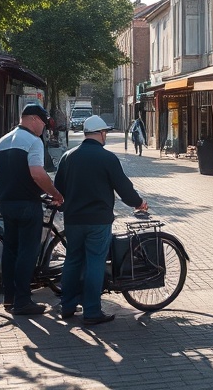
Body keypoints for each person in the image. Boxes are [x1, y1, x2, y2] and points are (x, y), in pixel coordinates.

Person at [54, 114, 148, 325]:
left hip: (73, 220)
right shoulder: (107, 158)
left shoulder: (68, 157)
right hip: (98, 221)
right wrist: (138, 202)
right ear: (101, 133)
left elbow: (58, 188)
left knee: (72, 260)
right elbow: (123, 188)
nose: (105, 136)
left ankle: (67, 306)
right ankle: (92, 311)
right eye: (105, 132)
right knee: (95, 263)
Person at [0, 102, 64, 316]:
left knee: (10, 249)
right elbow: (37, 173)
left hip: (6, 203)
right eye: (42, 122)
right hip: (27, 204)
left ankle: (9, 298)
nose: (43, 128)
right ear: (32, 119)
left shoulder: (2, 141)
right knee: (27, 252)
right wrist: (55, 194)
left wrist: (11, 182)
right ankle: (23, 301)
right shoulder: (33, 141)